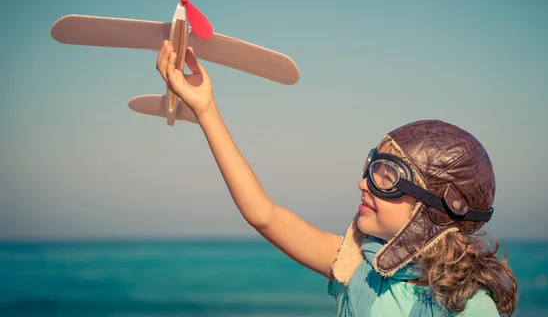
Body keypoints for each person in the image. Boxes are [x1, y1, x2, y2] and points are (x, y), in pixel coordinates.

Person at [155, 41, 519, 316]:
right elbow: (262, 214)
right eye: (370, 167)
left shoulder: (470, 308)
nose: (363, 183)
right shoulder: (357, 268)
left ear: (433, 211)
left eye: (386, 176)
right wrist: (205, 109)